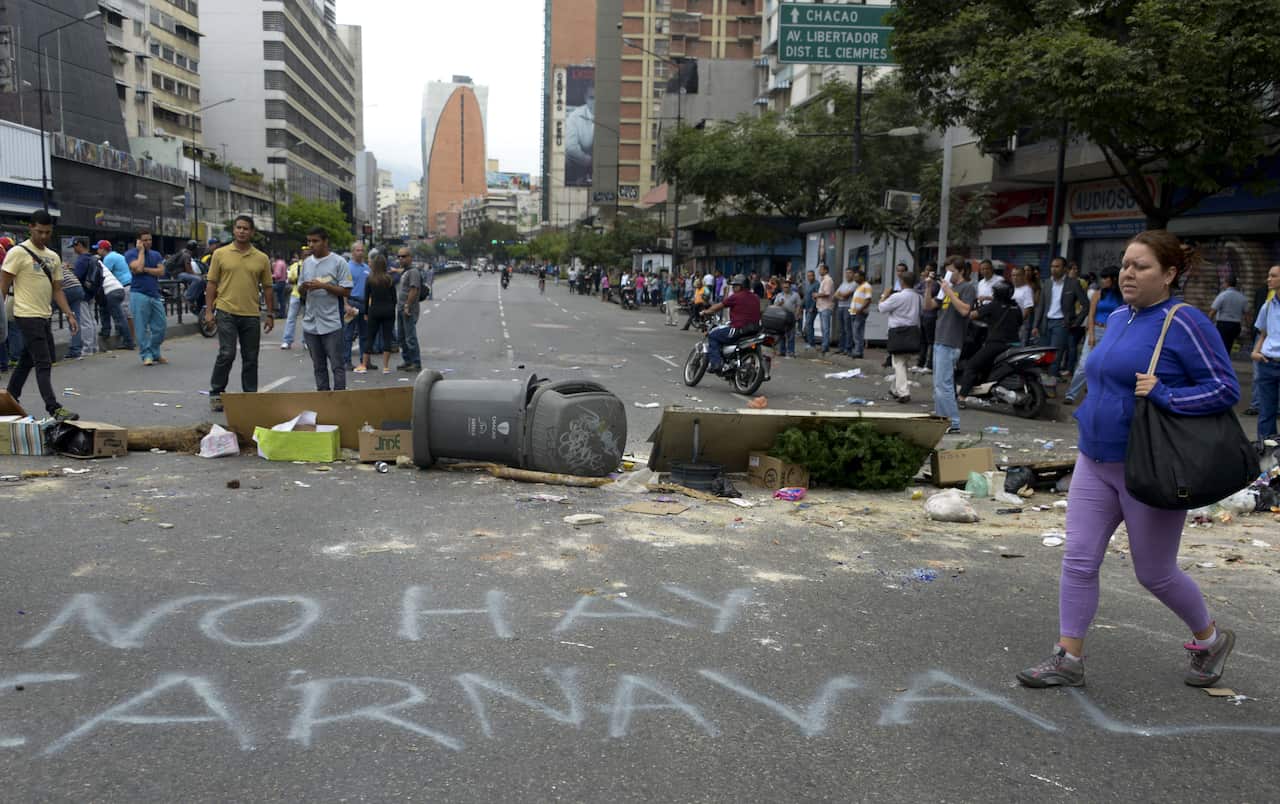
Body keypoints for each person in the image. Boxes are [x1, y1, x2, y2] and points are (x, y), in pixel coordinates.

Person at [1018, 230, 1241, 690]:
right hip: (1093, 461)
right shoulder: (1118, 316)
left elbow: (1226, 389)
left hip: (1148, 467)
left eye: (1141, 266)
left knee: (1154, 573)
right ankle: (1068, 657)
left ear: (1170, 274)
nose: (1128, 273)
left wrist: (1168, 394)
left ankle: (1211, 639)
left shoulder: (1185, 322)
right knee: (1078, 560)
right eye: (1125, 264)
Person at [0, 210, 79, 421]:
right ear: (31, 228)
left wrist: (69, 314)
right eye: (39, 231)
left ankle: (10, 397)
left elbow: (58, 290)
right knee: (43, 361)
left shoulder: (53, 257)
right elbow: (3, 285)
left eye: (47, 232)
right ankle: (53, 407)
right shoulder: (18, 252)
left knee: (28, 358)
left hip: (44, 315)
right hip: (25, 314)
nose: (43, 236)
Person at [205, 215, 274, 412]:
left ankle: (249, 396)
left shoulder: (261, 258)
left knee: (251, 357)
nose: (242, 231)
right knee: (227, 353)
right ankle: (217, 392)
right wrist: (209, 311)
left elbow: (268, 287)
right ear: (234, 230)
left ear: (252, 232)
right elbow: (211, 283)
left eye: (246, 228)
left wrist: (270, 313)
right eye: (238, 228)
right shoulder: (220, 254)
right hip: (226, 310)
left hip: (251, 314)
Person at [925, 256, 976, 433]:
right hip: (940, 339)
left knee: (945, 384)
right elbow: (929, 306)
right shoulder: (947, 287)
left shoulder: (967, 287)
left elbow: (964, 310)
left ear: (961, 271)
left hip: (951, 341)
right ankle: (941, 419)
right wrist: (929, 287)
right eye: (947, 270)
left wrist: (949, 292)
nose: (949, 274)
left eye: (952, 271)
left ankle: (953, 423)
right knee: (938, 385)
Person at [299, 227, 352, 391]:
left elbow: (346, 290)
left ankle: (339, 400)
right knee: (318, 366)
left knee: (337, 365)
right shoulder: (306, 263)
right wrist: (304, 287)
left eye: (315, 241)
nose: (311, 245)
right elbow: (299, 290)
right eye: (309, 241)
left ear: (325, 241)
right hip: (310, 323)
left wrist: (323, 286)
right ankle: (323, 399)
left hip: (332, 323)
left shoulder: (339, 262)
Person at [1064, 266, 1123, 405]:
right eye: (1101, 278)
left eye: (1105, 278)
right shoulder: (1098, 293)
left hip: (1113, 332)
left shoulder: (1122, 296)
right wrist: (1090, 334)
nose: (1102, 281)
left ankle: (1097, 394)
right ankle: (1071, 394)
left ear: (1114, 279)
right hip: (1096, 329)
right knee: (1084, 365)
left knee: (1106, 366)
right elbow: (1091, 315)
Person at [958, 282, 1022, 396]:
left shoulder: (993, 305)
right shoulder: (1016, 307)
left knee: (972, 365)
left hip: (996, 344)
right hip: (1014, 344)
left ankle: (962, 396)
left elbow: (972, 315)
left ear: (997, 293)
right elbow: (1019, 322)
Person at [1033, 256, 1088, 379]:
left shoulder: (1073, 283)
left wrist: (1076, 322)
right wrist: (1035, 325)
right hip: (1045, 323)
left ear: (1064, 269)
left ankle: (1051, 384)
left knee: (1055, 357)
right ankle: (1042, 383)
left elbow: (1086, 305)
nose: (1053, 269)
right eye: (1052, 266)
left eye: (1057, 266)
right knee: (1044, 356)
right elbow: (1041, 306)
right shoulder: (1047, 283)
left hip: (1061, 324)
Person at [700, 274, 762, 372]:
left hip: (739, 329)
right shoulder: (755, 297)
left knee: (713, 335)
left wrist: (706, 311)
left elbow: (718, 306)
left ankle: (716, 364)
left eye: (735, 286)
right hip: (754, 330)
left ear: (741, 286)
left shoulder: (736, 297)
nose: (733, 288)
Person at [123, 229, 167, 366]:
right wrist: (141, 252)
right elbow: (136, 268)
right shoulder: (130, 254)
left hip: (154, 293)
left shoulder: (156, 254)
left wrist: (146, 270)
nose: (148, 242)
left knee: (161, 325)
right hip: (139, 293)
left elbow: (161, 271)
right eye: (145, 240)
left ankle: (155, 351)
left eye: (150, 240)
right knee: (141, 327)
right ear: (139, 241)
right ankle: (146, 354)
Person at [1249, 264, 1280, 445]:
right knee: (1266, 412)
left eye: (1273, 276)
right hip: (1267, 363)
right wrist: (1255, 352)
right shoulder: (1267, 307)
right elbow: (1263, 333)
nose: (1268, 279)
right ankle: (1267, 454)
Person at [878, 272, 921, 402]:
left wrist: (884, 295)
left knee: (898, 362)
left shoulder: (897, 297)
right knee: (903, 361)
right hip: (913, 331)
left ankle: (903, 392)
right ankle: (894, 389)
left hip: (898, 331)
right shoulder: (918, 297)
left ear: (902, 282)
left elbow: (881, 308)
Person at [357, 254, 397, 374]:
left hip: (374, 310)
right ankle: (385, 367)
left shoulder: (370, 279)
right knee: (387, 338)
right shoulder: (389, 279)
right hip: (388, 310)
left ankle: (364, 364)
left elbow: (366, 297)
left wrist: (365, 312)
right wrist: (391, 308)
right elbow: (394, 298)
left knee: (370, 337)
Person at [98, 239, 134, 349]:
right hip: (126, 284)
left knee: (124, 314)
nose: (97, 251)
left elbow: (103, 274)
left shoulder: (109, 258)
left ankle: (129, 339)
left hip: (123, 285)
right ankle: (125, 336)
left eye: (98, 249)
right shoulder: (117, 255)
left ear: (103, 249)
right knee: (124, 313)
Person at [68, 237, 100, 357]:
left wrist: (70, 271)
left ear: (79, 245)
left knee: (85, 322)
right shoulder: (91, 257)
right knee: (91, 321)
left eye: (74, 246)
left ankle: (87, 349)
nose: (74, 250)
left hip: (82, 293)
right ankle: (94, 347)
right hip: (91, 291)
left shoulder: (81, 259)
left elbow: (77, 276)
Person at [343, 242, 371, 370]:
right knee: (348, 335)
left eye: (362, 250)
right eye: (358, 250)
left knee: (365, 334)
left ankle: (365, 361)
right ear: (353, 252)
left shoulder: (367, 268)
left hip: (364, 303)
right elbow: (343, 287)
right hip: (352, 302)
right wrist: (345, 304)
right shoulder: (347, 267)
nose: (360, 252)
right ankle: (346, 361)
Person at [395, 249, 423, 372]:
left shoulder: (413, 272)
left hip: (408, 309)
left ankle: (416, 362)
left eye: (404, 256)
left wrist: (407, 305)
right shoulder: (405, 272)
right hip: (400, 308)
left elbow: (414, 289)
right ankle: (407, 361)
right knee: (401, 337)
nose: (401, 259)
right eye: (399, 256)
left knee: (410, 337)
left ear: (410, 257)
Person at [1210, 276, 1248, 355]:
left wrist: (1208, 321)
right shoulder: (1242, 297)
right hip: (1236, 325)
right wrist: (1248, 326)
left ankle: (1222, 361)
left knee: (1221, 345)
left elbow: (1213, 310)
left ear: (1226, 283)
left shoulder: (1222, 295)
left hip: (1223, 325)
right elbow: (1246, 314)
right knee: (1229, 345)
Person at [280, 247, 306, 350]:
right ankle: (287, 340)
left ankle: (306, 341)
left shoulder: (313, 265)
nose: (306, 256)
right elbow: (289, 279)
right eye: (305, 254)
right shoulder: (294, 266)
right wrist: (295, 279)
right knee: (291, 318)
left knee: (307, 319)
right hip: (296, 294)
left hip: (308, 296)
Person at [915, 263, 938, 370]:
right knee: (922, 340)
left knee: (930, 341)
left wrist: (924, 290)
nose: (927, 272)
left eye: (930, 270)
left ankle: (929, 364)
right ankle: (920, 363)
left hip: (931, 315)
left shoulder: (935, 283)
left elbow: (929, 293)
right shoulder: (923, 282)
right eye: (926, 269)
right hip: (923, 314)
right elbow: (916, 290)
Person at [774, 279, 803, 358]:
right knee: (781, 334)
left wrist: (797, 314)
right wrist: (779, 303)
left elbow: (798, 305)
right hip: (781, 316)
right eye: (784, 287)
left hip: (791, 316)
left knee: (791, 335)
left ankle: (791, 351)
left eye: (787, 287)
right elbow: (774, 305)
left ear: (790, 287)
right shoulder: (779, 295)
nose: (785, 288)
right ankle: (782, 351)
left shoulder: (795, 295)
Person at [850, 269, 873, 359]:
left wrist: (860, 309)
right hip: (854, 312)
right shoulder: (859, 286)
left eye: (856, 276)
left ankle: (858, 351)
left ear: (862, 277)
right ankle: (857, 350)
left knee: (857, 332)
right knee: (856, 332)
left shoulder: (866, 286)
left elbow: (868, 300)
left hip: (860, 312)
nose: (855, 278)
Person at [834, 268, 857, 357]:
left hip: (848, 307)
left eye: (850, 273)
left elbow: (846, 295)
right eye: (846, 273)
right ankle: (841, 348)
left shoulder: (854, 284)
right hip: (840, 307)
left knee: (848, 329)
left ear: (853, 274)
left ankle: (848, 348)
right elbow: (836, 295)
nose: (848, 275)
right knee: (841, 329)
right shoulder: (843, 283)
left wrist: (841, 295)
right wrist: (841, 297)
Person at [814, 264, 836, 354]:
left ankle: (825, 346)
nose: (819, 271)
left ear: (826, 270)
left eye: (821, 269)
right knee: (823, 328)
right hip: (821, 306)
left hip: (826, 306)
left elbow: (827, 293)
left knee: (825, 328)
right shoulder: (823, 280)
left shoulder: (828, 280)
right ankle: (824, 345)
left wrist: (817, 295)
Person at [801, 269, 819, 348]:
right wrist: (802, 306)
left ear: (814, 276)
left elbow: (817, 296)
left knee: (808, 324)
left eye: (811, 276)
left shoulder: (817, 284)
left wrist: (813, 307)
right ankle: (810, 342)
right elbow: (805, 297)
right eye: (808, 276)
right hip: (807, 308)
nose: (809, 277)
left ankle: (811, 343)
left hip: (812, 309)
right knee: (809, 325)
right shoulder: (807, 284)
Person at [271, 253, 289, 318]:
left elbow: (278, 275)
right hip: (283, 282)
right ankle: (282, 313)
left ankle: (274, 309)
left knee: (269, 290)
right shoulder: (283, 263)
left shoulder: (278, 264)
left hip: (279, 282)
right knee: (282, 299)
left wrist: (271, 276)